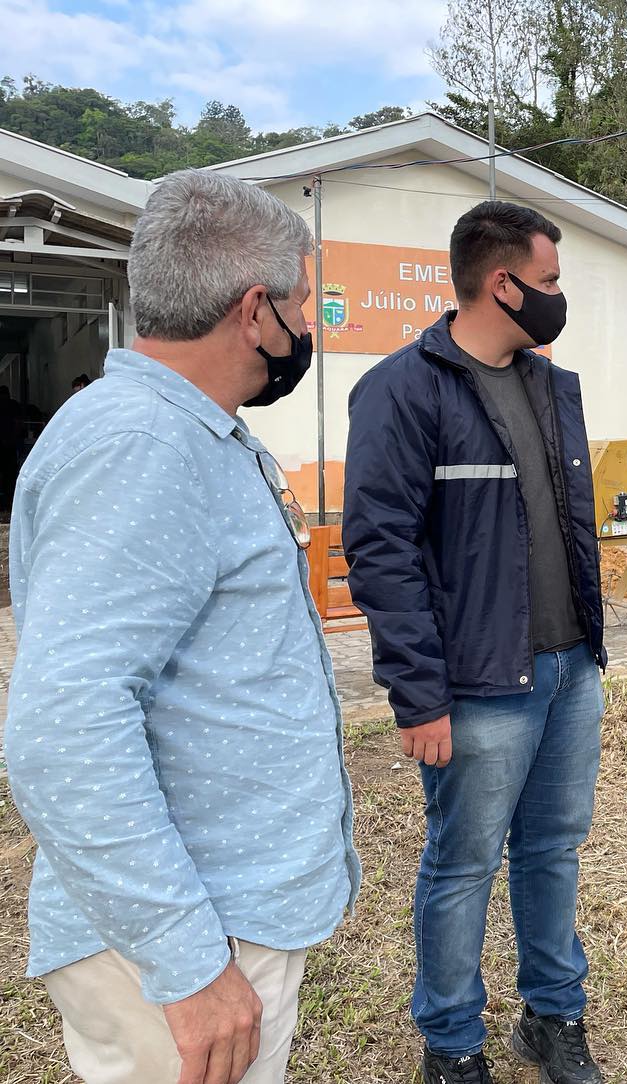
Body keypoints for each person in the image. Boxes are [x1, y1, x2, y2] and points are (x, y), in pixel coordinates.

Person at [4, 169, 360, 1084]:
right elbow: (62, 729)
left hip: (220, 920)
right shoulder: (144, 448)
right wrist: (188, 961)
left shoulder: (183, 432)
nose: (311, 327)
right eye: (303, 301)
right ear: (255, 312)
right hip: (189, 947)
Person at [343, 201, 607, 1084]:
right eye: (552, 280)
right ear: (504, 283)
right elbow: (379, 553)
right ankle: (452, 1042)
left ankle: (553, 1016)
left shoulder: (550, 382)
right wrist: (417, 695)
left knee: (552, 848)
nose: (558, 297)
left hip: (570, 670)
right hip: (481, 684)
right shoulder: (402, 389)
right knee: (462, 862)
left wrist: (591, 652)